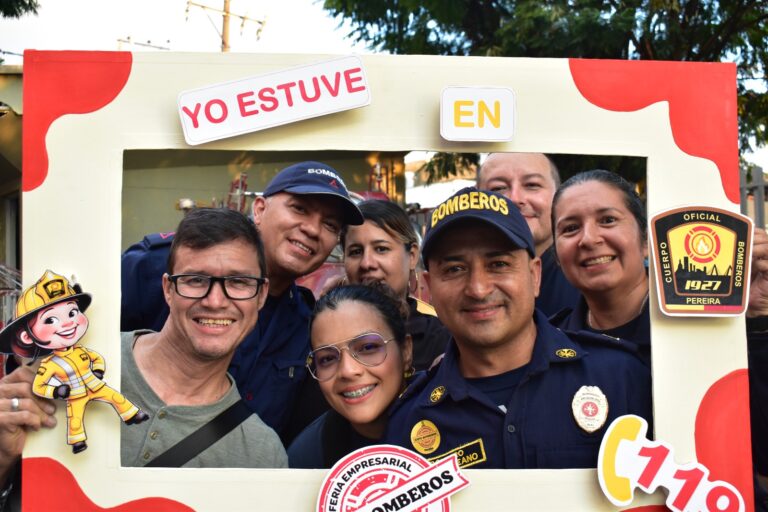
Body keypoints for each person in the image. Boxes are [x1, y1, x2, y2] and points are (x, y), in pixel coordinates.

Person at [384, 186, 652, 469]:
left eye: (498, 264)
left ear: (535, 275)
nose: (478, 288)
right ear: (429, 288)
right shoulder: (409, 420)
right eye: (454, 269)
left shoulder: (622, 378)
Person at [549, 169, 768, 509]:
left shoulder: (710, 323)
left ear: (645, 239)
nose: (588, 239)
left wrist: (755, 322)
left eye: (607, 220)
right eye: (570, 228)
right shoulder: (548, 344)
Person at [121, 161, 364, 441]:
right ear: (259, 209)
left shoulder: (308, 324)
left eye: (329, 224)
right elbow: (71, 320)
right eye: (299, 209)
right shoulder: (160, 264)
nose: (312, 229)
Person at [0, 271, 149, 454]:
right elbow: (39, 386)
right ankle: (78, 442)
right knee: (75, 419)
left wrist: (99, 371)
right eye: (51, 319)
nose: (67, 324)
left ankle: (132, 414)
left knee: (116, 397)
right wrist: (56, 391)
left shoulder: (83, 351)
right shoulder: (49, 365)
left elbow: (97, 359)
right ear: (26, 336)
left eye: (72, 313)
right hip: (75, 394)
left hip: (94, 384)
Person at [288, 284, 412, 468]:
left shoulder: (453, 423)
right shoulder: (307, 456)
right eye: (327, 358)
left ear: (406, 351)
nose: (347, 370)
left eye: (368, 348)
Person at [341, 200, 450, 371]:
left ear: (412, 256)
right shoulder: (326, 334)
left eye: (381, 249)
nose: (366, 263)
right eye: (355, 252)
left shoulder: (443, 342)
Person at [477, 152, 580, 316]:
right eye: (498, 188)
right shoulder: (467, 284)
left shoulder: (587, 279)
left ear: (559, 196)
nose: (515, 199)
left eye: (532, 185)